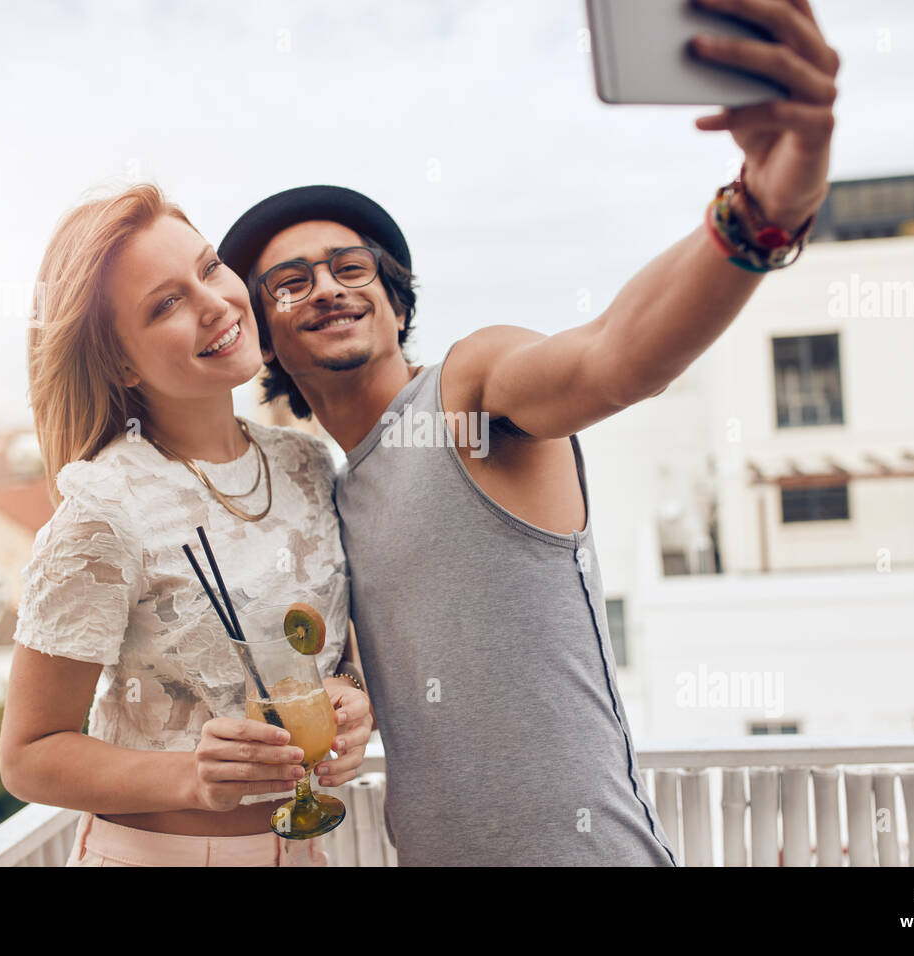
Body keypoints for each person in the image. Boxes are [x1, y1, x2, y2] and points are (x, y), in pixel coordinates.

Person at [216, 3, 839, 865]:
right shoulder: (330, 496)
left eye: (350, 267)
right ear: (268, 341)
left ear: (396, 304)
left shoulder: (469, 397)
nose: (325, 286)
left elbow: (615, 359)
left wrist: (761, 210)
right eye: (287, 284)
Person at [0, 184, 373, 867]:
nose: (214, 305)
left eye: (208, 269)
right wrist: (193, 778)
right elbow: (28, 756)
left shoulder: (307, 464)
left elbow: (330, 653)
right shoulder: (107, 507)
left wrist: (350, 701)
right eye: (165, 304)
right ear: (118, 359)